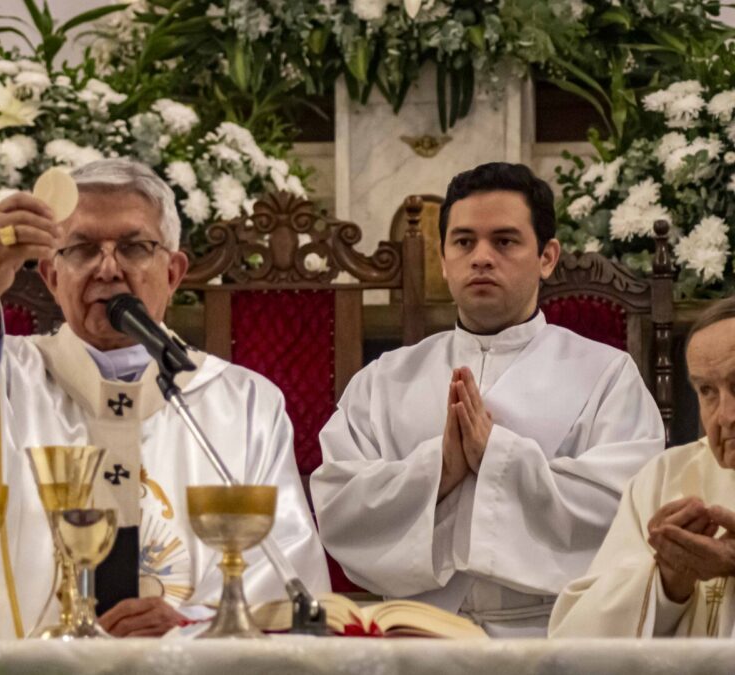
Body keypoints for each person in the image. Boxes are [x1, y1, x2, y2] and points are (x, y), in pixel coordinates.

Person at [0, 158, 329, 639]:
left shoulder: (242, 403)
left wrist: (191, 625)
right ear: (50, 275)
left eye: (134, 247)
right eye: (84, 249)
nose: (108, 268)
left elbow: (283, 571)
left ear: (173, 272)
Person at [308, 162, 665, 637]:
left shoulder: (606, 374)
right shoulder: (385, 379)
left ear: (547, 257)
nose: (481, 257)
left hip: (552, 636)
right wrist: (438, 471)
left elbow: (630, 506)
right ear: (442, 259)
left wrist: (497, 457)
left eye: (505, 241)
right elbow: (339, 503)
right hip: (416, 636)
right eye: (463, 241)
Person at [550, 297, 735, 637]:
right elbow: (574, 639)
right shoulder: (664, 478)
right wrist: (666, 578)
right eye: (707, 390)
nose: (725, 416)